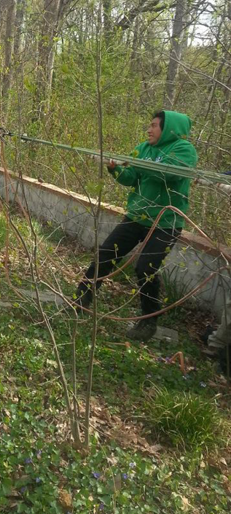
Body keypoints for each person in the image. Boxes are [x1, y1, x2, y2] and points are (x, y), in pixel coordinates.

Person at [75, 110, 198, 341]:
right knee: (105, 253)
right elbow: (131, 177)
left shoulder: (184, 150)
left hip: (165, 222)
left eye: (154, 126)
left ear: (169, 128)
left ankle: (148, 321)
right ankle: (81, 299)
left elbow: (167, 174)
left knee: (146, 267)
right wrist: (116, 169)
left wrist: (139, 163)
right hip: (137, 216)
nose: (149, 130)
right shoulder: (143, 148)